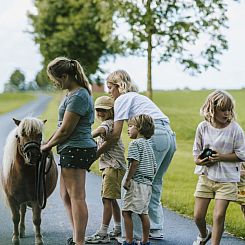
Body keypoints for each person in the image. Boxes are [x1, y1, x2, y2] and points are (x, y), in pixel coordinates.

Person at [97, 70, 176, 240]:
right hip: (168, 135)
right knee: (153, 182)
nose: (109, 92)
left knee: (132, 182)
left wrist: (96, 153)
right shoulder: (138, 97)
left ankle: (133, 236)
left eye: (110, 87)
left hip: (154, 135)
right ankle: (154, 229)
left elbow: (116, 134)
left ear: (119, 86)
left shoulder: (123, 99)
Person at [41, 57, 97, 245]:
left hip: (77, 148)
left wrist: (48, 146)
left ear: (64, 76)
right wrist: (48, 142)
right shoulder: (71, 94)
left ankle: (79, 241)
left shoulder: (79, 96)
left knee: (77, 196)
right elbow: (61, 127)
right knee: (65, 195)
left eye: (55, 79)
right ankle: (76, 236)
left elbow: (66, 129)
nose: (55, 83)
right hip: (71, 148)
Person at [192, 90, 245, 245]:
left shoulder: (235, 129)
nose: (227, 113)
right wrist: (200, 161)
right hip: (206, 177)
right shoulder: (203, 127)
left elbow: (242, 155)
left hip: (227, 180)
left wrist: (221, 157)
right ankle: (203, 235)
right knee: (198, 216)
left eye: (229, 110)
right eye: (223, 110)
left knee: (218, 215)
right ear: (211, 109)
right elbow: (196, 153)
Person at [85, 96, 126, 244]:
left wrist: (86, 137)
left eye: (104, 110)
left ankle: (103, 232)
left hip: (113, 166)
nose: (100, 113)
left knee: (107, 199)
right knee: (111, 198)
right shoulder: (109, 123)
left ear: (111, 111)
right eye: (98, 110)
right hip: (111, 166)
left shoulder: (109, 124)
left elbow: (100, 130)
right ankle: (117, 227)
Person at [122, 114, 157, 245]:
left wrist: (127, 180)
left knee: (126, 211)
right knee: (143, 212)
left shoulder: (135, 144)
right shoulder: (148, 145)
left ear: (140, 128)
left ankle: (129, 241)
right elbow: (154, 166)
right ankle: (145, 241)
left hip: (137, 182)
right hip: (147, 184)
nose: (128, 129)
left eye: (131, 126)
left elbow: (134, 163)